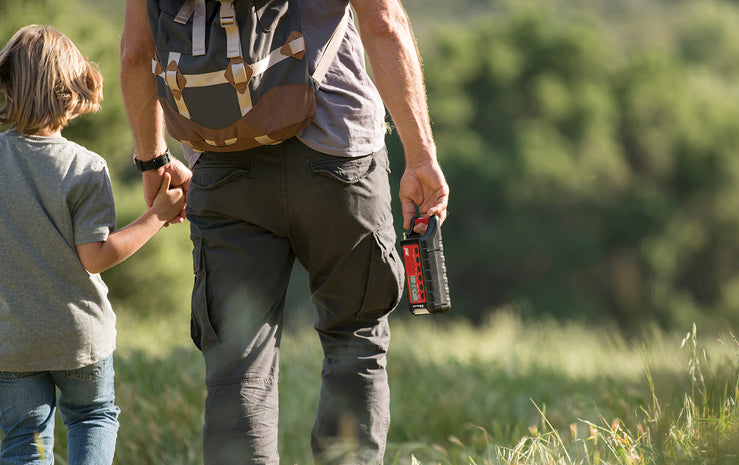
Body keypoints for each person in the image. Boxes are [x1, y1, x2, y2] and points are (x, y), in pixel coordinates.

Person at [120, 0, 449, 463]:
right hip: (338, 155)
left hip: (223, 166)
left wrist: (152, 159)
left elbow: (137, 52)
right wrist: (421, 158)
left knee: (237, 367)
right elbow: (384, 24)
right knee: (355, 343)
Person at [0, 24, 186, 465]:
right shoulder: (86, 167)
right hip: (80, 336)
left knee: (23, 440)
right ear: (71, 90)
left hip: (12, 340)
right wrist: (156, 215)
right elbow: (96, 257)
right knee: (92, 417)